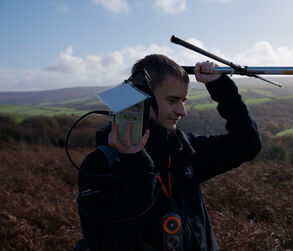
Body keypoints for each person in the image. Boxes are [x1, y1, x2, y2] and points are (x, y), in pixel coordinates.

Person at [77, 54, 262, 250]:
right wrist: (136, 164)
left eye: (183, 100)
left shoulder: (183, 147)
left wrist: (221, 86)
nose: (182, 111)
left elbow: (246, 144)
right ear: (142, 100)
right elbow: (108, 241)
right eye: (173, 100)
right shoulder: (101, 164)